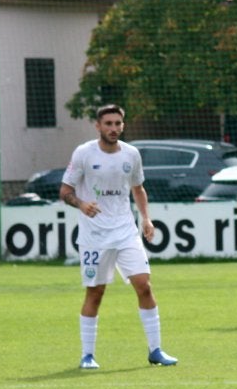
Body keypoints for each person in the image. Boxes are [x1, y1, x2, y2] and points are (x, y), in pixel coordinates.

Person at [59, 104, 177, 369]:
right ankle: (87, 355)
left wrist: (145, 218)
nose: (113, 128)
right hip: (94, 236)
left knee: (144, 285)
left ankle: (156, 350)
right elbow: (65, 190)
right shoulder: (84, 153)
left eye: (118, 124)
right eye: (108, 123)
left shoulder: (131, 154)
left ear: (123, 125)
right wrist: (81, 204)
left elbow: (138, 188)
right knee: (95, 292)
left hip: (126, 231)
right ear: (98, 126)